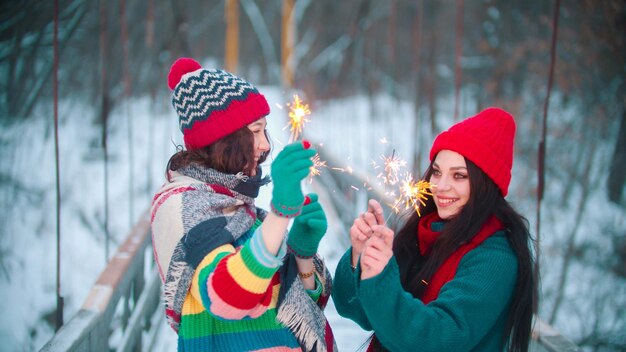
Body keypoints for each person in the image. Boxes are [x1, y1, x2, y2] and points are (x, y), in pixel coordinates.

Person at [151, 57, 336, 351]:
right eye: (255, 131)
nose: (265, 144)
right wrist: (280, 213)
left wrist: (302, 256)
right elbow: (227, 296)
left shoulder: (240, 208)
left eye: (264, 130)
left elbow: (292, 307)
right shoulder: (182, 205)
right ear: (223, 137)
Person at [332, 108, 537, 352]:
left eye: (459, 176)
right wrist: (361, 257)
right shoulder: (423, 233)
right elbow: (354, 309)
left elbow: (437, 339)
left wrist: (381, 276)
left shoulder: (495, 257)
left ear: (486, 184)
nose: (440, 186)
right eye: (437, 172)